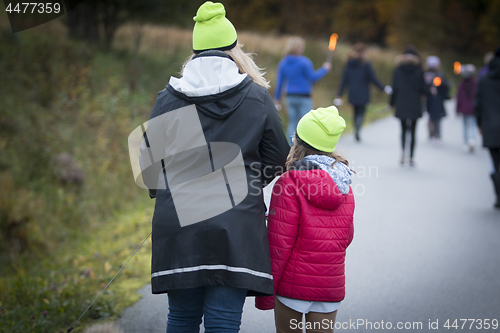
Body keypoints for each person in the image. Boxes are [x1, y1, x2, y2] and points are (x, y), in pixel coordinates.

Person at [141, 2, 290, 332]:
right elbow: (280, 158)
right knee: (224, 321)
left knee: (181, 318)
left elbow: (151, 174)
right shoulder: (256, 97)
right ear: (232, 48)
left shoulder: (168, 98)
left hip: (179, 225)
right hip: (236, 226)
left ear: (195, 51)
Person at [255, 106, 355, 333]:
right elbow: (347, 237)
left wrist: (266, 295)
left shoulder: (288, 183)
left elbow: (278, 247)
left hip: (292, 287)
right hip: (329, 285)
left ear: (298, 142)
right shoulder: (344, 185)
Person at [274, 37, 331, 142]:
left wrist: (277, 99)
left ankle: (291, 148)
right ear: (298, 48)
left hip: (289, 96)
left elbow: (280, 83)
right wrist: (324, 69)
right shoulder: (304, 62)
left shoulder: (283, 63)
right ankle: (304, 147)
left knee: (292, 123)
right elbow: (313, 78)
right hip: (304, 97)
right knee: (306, 123)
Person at [337, 43, 388, 142]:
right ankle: (358, 129)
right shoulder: (365, 64)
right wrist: (383, 88)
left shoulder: (349, 64)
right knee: (361, 112)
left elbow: (344, 80)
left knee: (355, 112)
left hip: (353, 92)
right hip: (363, 92)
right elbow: (373, 79)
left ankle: (356, 127)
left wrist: (339, 94)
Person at [390, 45, 427, 166]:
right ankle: (411, 157)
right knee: (414, 131)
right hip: (415, 104)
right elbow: (423, 89)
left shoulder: (398, 70)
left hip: (401, 103)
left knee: (403, 129)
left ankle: (403, 153)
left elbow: (394, 88)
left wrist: (391, 103)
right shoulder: (419, 70)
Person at [474, 48, 500, 209]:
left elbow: (478, 105)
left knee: (495, 163)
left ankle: (498, 197)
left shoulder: (484, 79)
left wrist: (479, 124)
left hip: (491, 126)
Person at [424, 56, 450, 142]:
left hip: (438, 100)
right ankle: (432, 134)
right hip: (431, 100)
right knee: (432, 118)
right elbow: (423, 87)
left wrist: (441, 84)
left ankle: (437, 135)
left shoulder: (440, 74)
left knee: (437, 118)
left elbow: (446, 86)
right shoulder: (427, 75)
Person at [456, 64, 478, 152]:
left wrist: (457, 109)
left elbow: (458, 98)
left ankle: (466, 142)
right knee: (472, 125)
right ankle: (471, 139)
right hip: (473, 108)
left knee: (465, 126)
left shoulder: (461, 85)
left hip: (464, 109)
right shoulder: (475, 84)